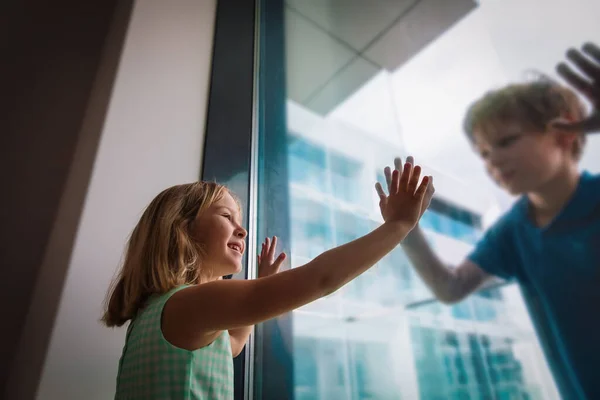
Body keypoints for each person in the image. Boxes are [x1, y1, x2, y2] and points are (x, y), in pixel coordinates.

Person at [376, 42, 600, 399]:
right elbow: (450, 288)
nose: (491, 161)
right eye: (482, 153)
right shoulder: (513, 229)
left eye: (506, 141)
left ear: (565, 133)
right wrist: (405, 229)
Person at [102, 159, 433, 399]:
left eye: (240, 220)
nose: (242, 230)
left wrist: (259, 285)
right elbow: (320, 279)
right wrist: (398, 226)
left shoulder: (154, 317)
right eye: (226, 216)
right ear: (182, 227)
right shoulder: (188, 304)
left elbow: (231, 346)